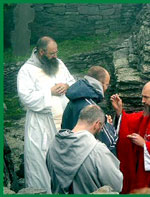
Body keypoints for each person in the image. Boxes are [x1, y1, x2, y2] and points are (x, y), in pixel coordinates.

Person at [17, 36, 75, 193]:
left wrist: (67, 85)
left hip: (63, 122)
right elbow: (26, 98)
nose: (55, 56)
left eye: (56, 52)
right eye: (52, 53)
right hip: (41, 125)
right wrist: (48, 92)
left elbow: (72, 81)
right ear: (41, 52)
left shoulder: (59, 63)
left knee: (65, 159)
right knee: (41, 162)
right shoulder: (26, 71)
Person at [46, 105, 123, 194]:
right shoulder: (97, 150)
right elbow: (116, 185)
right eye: (101, 127)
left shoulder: (53, 145)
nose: (101, 130)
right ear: (97, 124)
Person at [61, 66, 118, 155]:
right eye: (107, 85)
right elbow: (109, 142)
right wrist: (108, 125)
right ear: (100, 84)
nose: (106, 88)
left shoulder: (73, 100)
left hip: (72, 154)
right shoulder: (90, 106)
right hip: (88, 157)